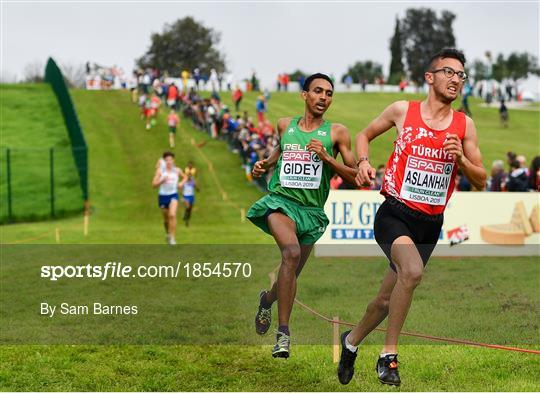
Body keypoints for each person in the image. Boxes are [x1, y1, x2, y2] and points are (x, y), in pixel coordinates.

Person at [337, 48, 487, 386]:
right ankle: (388, 357)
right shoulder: (403, 111)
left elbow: (481, 180)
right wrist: (362, 162)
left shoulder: (465, 125)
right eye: (449, 72)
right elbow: (364, 135)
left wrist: (461, 159)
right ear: (430, 77)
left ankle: (350, 342)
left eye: (461, 75)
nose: (456, 79)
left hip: (429, 225)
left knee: (385, 300)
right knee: (413, 271)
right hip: (395, 214)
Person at [248, 73, 358, 358]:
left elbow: (357, 175)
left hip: (311, 212)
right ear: (305, 95)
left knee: (291, 272)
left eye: (329, 93)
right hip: (281, 202)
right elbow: (280, 152)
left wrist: (328, 158)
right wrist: (265, 164)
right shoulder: (285, 124)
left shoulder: (337, 133)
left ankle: (267, 300)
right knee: (291, 254)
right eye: (318, 91)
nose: (324, 97)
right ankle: (283, 335)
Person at [152, 152, 186, 245]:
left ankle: (172, 238)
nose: (169, 162)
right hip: (163, 196)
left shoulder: (177, 170)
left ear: (173, 160)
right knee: (166, 219)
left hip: (173, 195)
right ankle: (168, 233)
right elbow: (153, 184)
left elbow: (185, 177)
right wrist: (161, 181)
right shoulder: (160, 171)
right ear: (164, 161)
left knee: (172, 215)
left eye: (170, 160)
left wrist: (181, 183)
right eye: (166, 160)